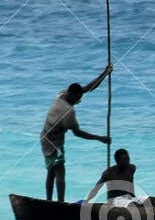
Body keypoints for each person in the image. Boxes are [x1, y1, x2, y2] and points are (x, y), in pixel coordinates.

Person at [40, 65, 112, 202]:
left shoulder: (62, 94)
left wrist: (104, 73)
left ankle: (49, 201)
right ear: (72, 95)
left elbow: (87, 88)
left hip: (45, 137)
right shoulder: (67, 112)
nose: (79, 100)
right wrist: (100, 138)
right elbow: (78, 133)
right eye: (78, 97)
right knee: (59, 170)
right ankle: (60, 203)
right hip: (52, 142)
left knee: (51, 170)